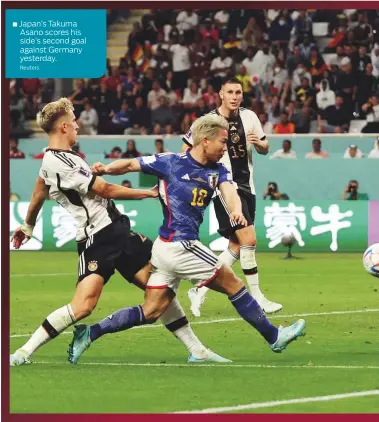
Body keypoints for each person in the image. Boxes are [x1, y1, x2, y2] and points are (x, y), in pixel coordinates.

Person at [68, 114, 305, 363]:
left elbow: (230, 192)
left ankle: (90, 333)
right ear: (205, 141)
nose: (225, 148)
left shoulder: (217, 170)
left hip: (166, 250)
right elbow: (130, 165)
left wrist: (235, 209)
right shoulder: (170, 162)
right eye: (222, 142)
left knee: (151, 311)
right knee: (233, 283)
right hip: (181, 245)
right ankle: (274, 336)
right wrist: (106, 168)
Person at [9, 98, 229, 366]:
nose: (78, 124)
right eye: (74, 120)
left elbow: (38, 191)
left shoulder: (65, 158)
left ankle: (197, 349)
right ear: (64, 127)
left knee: (157, 289)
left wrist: (28, 225)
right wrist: (147, 193)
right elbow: (103, 189)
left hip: (118, 231)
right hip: (96, 239)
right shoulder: (56, 161)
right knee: (83, 306)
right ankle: (24, 351)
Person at [182, 77, 282, 317]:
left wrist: (261, 144)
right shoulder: (208, 122)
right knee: (249, 239)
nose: (235, 96)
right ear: (221, 94)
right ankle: (257, 297)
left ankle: (200, 288)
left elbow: (265, 146)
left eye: (238, 92)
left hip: (248, 186)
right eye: (230, 92)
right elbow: (186, 150)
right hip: (225, 187)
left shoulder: (250, 117)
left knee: (237, 246)